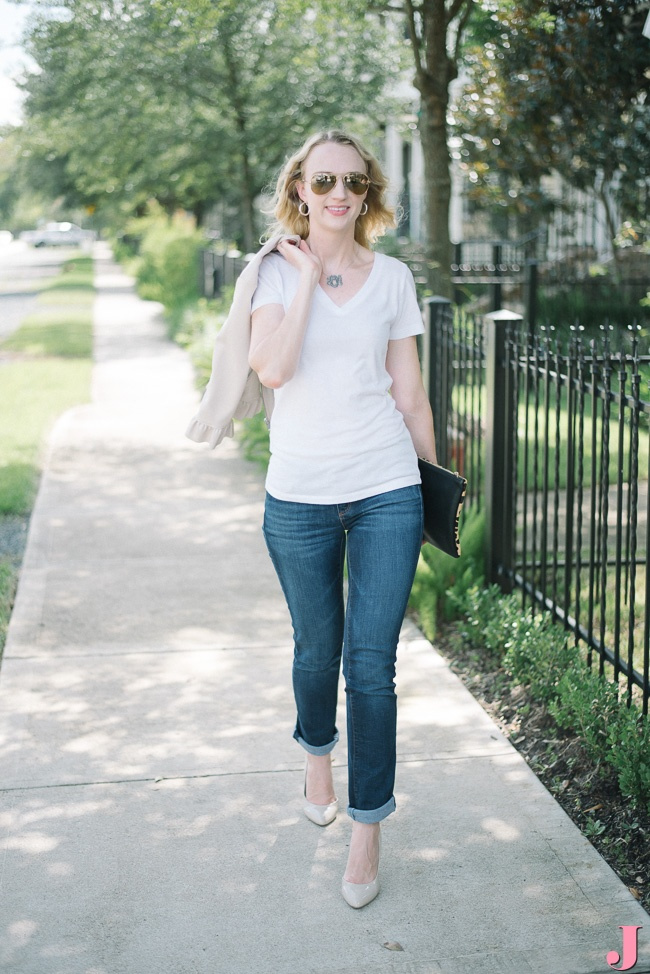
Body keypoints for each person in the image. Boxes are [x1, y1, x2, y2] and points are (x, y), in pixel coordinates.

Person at [249, 130, 437, 909]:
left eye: (353, 183)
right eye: (323, 179)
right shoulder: (269, 273)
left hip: (386, 483)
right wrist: (301, 283)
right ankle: (316, 754)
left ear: (369, 195)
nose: (338, 193)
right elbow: (274, 369)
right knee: (315, 648)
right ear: (299, 187)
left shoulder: (392, 277)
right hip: (298, 495)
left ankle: (367, 825)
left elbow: (410, 394)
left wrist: (436, 488)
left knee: (372, 665)